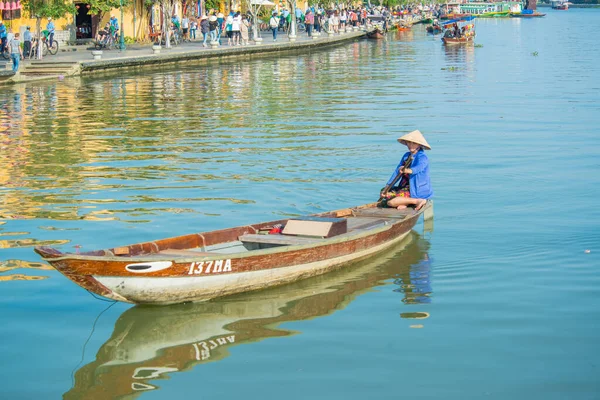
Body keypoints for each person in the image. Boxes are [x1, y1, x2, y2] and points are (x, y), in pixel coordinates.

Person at [380, 130, 433, 211]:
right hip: (405, 187)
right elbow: (397, 172)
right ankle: (405, 202)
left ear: (419, 145)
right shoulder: (406, 156)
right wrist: (388, 186)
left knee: (391, 202)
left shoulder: (422, 157)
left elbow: (419, 168)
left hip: (416, 190)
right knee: (384, 191)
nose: (410, 145)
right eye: (409, 142)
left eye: (413, 143)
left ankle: (417, 201)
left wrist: (408, 170)